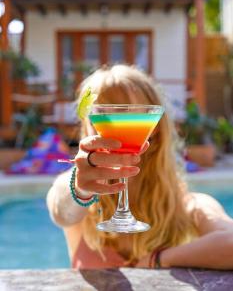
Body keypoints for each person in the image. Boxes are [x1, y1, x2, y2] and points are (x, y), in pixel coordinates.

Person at [47, 64, 233, 270]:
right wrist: (80, 188)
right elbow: (60, 211)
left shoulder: (189, 205)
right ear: (88, 124)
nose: (114, 121)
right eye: (102, 110)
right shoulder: (82, 201)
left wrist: (160, 258)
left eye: (126, 109)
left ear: (155, 128)